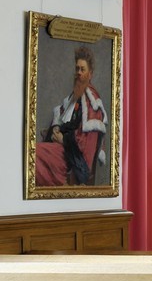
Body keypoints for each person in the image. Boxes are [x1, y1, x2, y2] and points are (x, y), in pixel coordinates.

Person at [33, 45, 107, 188]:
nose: (78, 73)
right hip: (62, 150)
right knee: (32, 151)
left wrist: (63, 139)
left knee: (34, 154)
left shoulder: (92, 101)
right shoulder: (76, 96)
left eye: (82, 69)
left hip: (70, 160)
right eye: (77, 69)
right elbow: (69, 121)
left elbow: (85, 144)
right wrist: (57, 129)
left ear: (90, 74)